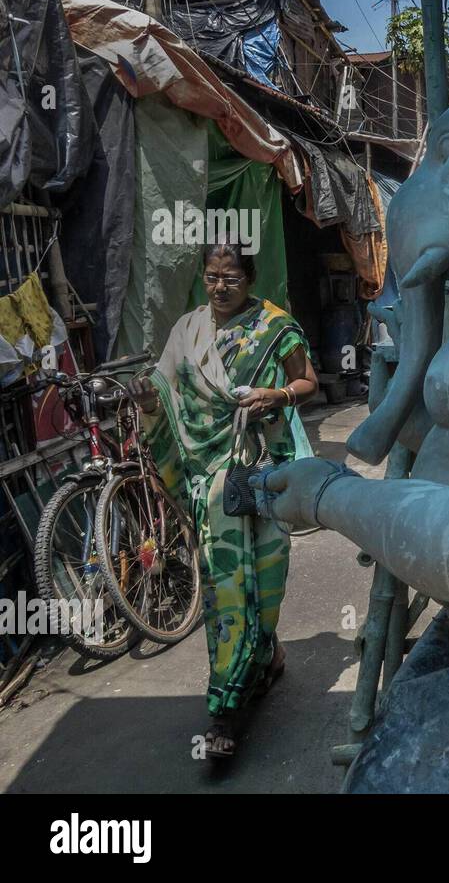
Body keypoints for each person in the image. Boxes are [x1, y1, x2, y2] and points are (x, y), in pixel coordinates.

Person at [128, 240, 318, 757]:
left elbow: (308, 381)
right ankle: (227, 709)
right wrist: (149, 399)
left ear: (249, 279)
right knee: (229, 587)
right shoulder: (186, 332)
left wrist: (275, 396)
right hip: (210, 482)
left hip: (263, 475)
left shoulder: (274, 327)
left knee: (266, 580)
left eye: (230, 277)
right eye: (211, 276)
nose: (219, 286)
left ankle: (267, 653)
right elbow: (164, 392)